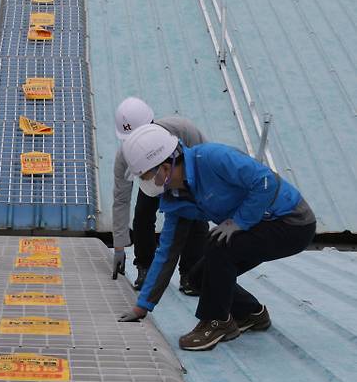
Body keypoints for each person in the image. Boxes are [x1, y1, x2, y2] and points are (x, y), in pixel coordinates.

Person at [120, 124, 316, 350]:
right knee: (198, 278)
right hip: (260, 226)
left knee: (219, 246)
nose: (149, 183)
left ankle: (217, 322)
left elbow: (265, 181)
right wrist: (142, 306)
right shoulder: (176, 199)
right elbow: (166, 254)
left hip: (291, 222)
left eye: (147, 176)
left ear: (165, 168)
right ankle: (252, 314)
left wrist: (239, 222)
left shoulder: (212, 158)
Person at [112, 97, 207, 292]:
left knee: (197, 220)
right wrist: (119, 247)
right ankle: (145, 268)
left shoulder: (183, 129)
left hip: (186, 179)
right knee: (142, 216)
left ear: (152, 123)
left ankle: (191, 274)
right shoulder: (124, 156)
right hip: (152, 185)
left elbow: (204, 162)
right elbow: (121, 200)